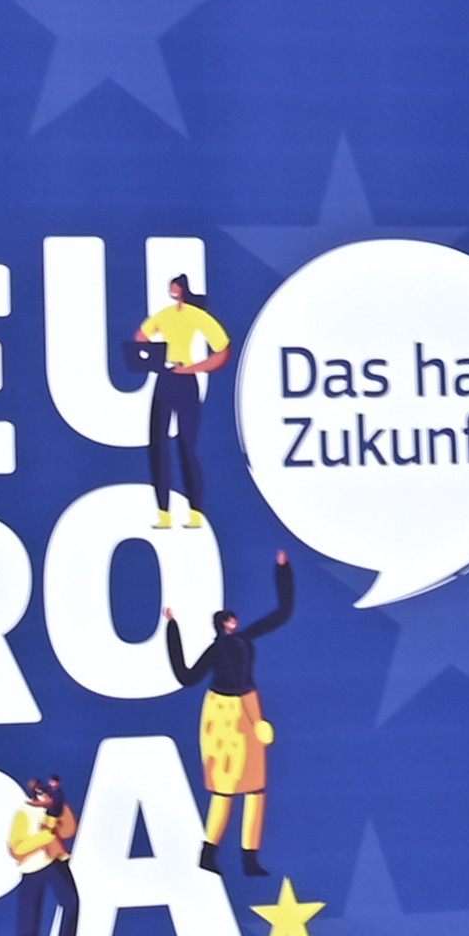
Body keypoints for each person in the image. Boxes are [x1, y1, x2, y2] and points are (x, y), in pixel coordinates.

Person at [165, 549, 295, 875]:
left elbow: (281, 613)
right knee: (224, 791)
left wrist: (283, 571)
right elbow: (186, 676)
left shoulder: (245, 639)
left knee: (256, 789)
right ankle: (208, 852)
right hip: (222, 716)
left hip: (249, 706)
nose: (235, 623)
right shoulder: (214, 651)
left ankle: (250, 857)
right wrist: (172, 629)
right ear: (221, 626)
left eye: (234, 619)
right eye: (229, 621)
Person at [131, 273, 233, 528]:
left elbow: (223, 350)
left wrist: (193, 368)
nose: (172, 291)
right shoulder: (164, 315)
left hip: (185, 380)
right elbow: (139, 339)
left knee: (187, 447)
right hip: (166, 379)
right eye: (170, 287)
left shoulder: (196, 315)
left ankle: (196, 512)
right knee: (157, 444)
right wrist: (156, 361)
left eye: (175, 287)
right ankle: (164, 513)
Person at [9, 774, 82, 936]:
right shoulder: (23, 814)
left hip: (55, 863)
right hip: (32, 868)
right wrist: (44, 836)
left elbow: (68, 831)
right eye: (44, 793)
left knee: (72, 904)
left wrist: (59, 808)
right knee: (28, 918)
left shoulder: (54, 809)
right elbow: (17, 848)